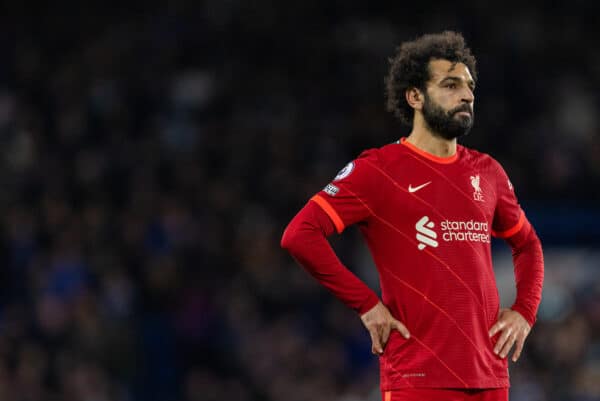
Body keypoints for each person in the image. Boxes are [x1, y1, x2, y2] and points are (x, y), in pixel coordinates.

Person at [280, 31, 544, 401]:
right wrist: (367, 304)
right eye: (450, 85)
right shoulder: (378, 169)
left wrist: (525, 311)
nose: (467, 95)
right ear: (415, 96)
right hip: (418, 378)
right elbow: (300, 234)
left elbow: (527, 243)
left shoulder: (487, 172)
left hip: (490, 376)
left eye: (469, 86)